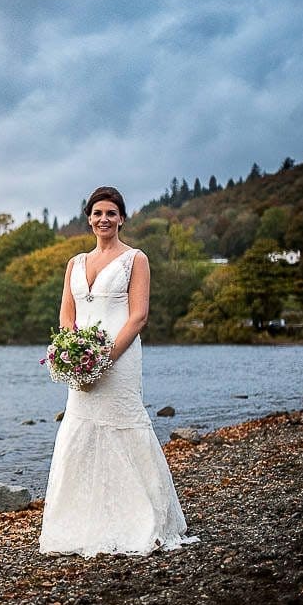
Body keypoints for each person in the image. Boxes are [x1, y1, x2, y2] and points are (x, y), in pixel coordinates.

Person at [38, 186, 198, 556]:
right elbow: (67, 313)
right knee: (80, 426)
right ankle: (79, 522)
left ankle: (141, 520)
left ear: (122, 218)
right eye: (97, 213)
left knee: (124, 423)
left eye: (111, 213)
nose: (104, 219)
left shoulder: (135, 259)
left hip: (120, 357)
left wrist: (105, 356)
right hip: (82, 359)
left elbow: (139, 315)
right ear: (89, 219)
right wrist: (72, 350)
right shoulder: (75, 263)